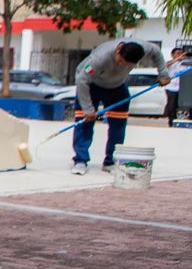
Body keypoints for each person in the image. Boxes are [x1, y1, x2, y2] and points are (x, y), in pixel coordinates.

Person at [71, 40, 169, 174]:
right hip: (91, 85)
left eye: (127, 65)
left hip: (117, 87)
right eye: (120, 61)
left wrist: (163, 74)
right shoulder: (100, 58)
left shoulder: (145, 48)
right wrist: (88, 110)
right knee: (84, 124)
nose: (121, 65)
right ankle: (80, 160)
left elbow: (157, 52)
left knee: (118, 125)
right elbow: (82, 80)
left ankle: (111, 161)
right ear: (118, 50)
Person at [165, 46, 190, 126]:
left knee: (184, 106)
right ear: (172, 55)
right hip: (172, 88)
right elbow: (165, 65)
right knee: (172, 106)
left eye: (181, 53)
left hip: (183, 89)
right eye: (178, 53)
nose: (180, 55)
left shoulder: (185, 64)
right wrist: (176, 59)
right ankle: (171, 121)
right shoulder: (171, 63)